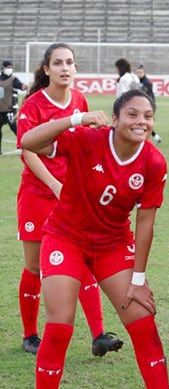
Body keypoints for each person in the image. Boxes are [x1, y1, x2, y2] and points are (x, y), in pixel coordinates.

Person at [20, 88, 169, 389]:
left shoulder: (154, 162)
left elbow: (145, 224)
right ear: (115, 119)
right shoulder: (87, 138)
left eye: (147, 115)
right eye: (132, 114)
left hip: (112, 245)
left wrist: (139, 278)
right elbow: (29, 141)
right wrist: (75, 118)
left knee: (143, 321)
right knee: (61, 324)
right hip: (65, 238)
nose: (140, 121)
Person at [16, 43, 123, 357]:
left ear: (75, 68)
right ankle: (29, 335)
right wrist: (53, 184)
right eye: (58, 63)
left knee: (83, 259)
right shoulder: (34, 105)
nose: (65, 68)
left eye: (70, 63)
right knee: (35, 267)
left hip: (71, 196)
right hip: (38, 195)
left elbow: (83, 145)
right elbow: (28, 149)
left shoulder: (79, 100)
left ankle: (99, 334)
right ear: (47, 69)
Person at [1, 60, 27, 154]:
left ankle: (25, 146)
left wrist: (25, 86)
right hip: (0, 110)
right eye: (8, 67)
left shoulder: (13, 79)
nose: (9, 69)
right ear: (2, 68)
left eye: (11, 67)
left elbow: (21, 86)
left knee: (15, 128)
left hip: (10, 110)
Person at [135, 64, 162, 144]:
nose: (139, 74)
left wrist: (150, 107)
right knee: (143, 123)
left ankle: (149, 139)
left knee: (144, 123)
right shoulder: (139, 81)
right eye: (137, 72)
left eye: (140, 72)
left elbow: (148, 95)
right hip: (144, 106)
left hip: (149, 106)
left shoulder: (147, 83)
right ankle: (156, 137)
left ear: (144, 73)